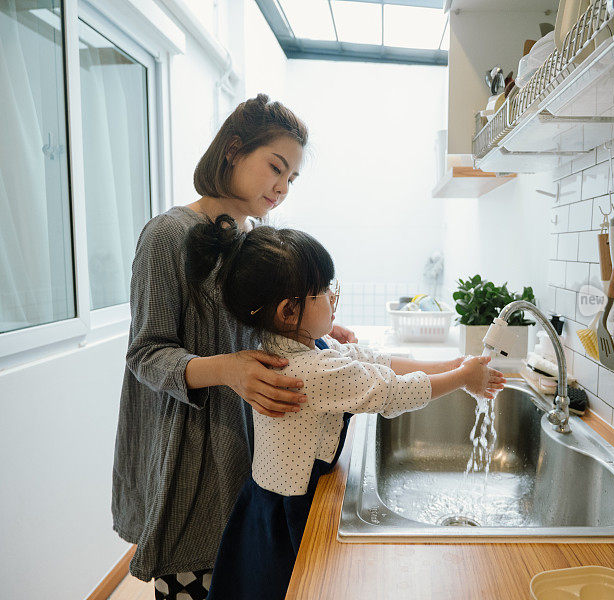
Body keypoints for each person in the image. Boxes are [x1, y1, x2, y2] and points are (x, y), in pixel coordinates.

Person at [181, 215, 506, 600]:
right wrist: (461, 380)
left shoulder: (297, 345)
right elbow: (392, 393)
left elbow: (372, 363)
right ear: (288, 310)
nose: (333, 297)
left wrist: (453, 367)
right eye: (322, 290)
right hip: (289, 509)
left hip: (265, 499)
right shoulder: (311, 369)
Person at [112, 94, 357, 600]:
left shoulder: (255, 239)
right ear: (232, 150)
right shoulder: (168, 236)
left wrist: (322, 334)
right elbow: (146, 354)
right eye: (276, 167)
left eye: (291, 179)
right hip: (193, 454)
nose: (282, 188)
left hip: (252, 442)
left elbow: (267, 328)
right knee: (201, 577)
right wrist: (228, 370)